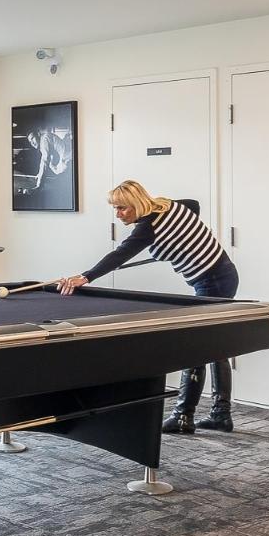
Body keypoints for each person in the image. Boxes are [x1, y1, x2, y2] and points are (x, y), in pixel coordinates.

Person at [57, 179, 240, 434]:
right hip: (223, 275)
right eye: (115, 208)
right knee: (215, 347)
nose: (118, 214)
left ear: (137, 204)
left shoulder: (147, 228)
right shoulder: (168, 206)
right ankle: (220, 414)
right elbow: (194, 205)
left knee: (196, 347)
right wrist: (178, 239)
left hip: (213, 282)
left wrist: (85, 277)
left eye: (122, 208)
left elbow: (119, 255)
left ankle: (183, 416)